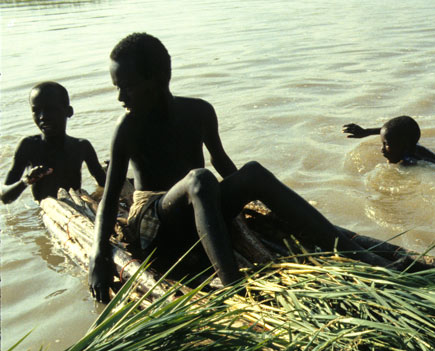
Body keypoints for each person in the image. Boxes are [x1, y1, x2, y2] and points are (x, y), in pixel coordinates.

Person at [89, 32, 393, 303]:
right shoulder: (127, 126)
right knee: (200, 179)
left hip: (199, 208)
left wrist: (252, 196)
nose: (120, 97)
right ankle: (234, 286)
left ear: (157, 80)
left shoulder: (199, 111)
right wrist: (99, 255)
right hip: (156, 221)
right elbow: (110, 196)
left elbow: (222, 162)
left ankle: (354, 251)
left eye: (127, 87)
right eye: (118, 88)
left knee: (253, 171)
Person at [1, 82, 106, 204]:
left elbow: (104, 184)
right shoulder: (28, 146)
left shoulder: (81, 146)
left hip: (76, 208)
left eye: (50, 109)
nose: (42, 117)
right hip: (45, 211)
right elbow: (5, 197)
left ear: (69, 112)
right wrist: (27, 180)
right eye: (36, 110)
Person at [343, 116, 435, 165]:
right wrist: (366, 132)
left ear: (404, 146)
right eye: (382, 143)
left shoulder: (411, 162)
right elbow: (391, 133)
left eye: (386, 144)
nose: (382, 149)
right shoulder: (409, 142)